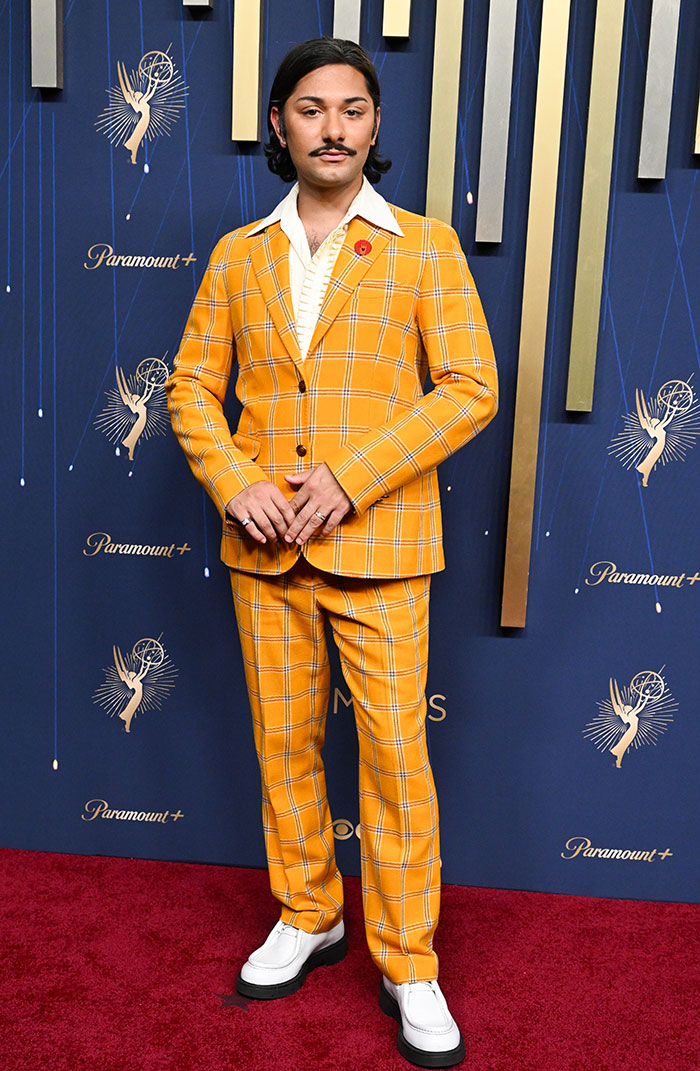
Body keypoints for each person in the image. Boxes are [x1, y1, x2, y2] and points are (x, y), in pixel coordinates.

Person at [166, 37, 498, 1070]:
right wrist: (240, 484)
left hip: (384, 549)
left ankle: (409, 961)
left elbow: (469, 388)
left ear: (376, 126)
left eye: (352, 109)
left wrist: (351, 479)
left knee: (395, 762)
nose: (334, 127)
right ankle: (308, 913)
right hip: (264, 553)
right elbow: (186, 390)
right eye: (311, 109)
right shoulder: (236, 255)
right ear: (280, 126)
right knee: (284, 747)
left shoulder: (424, 247)